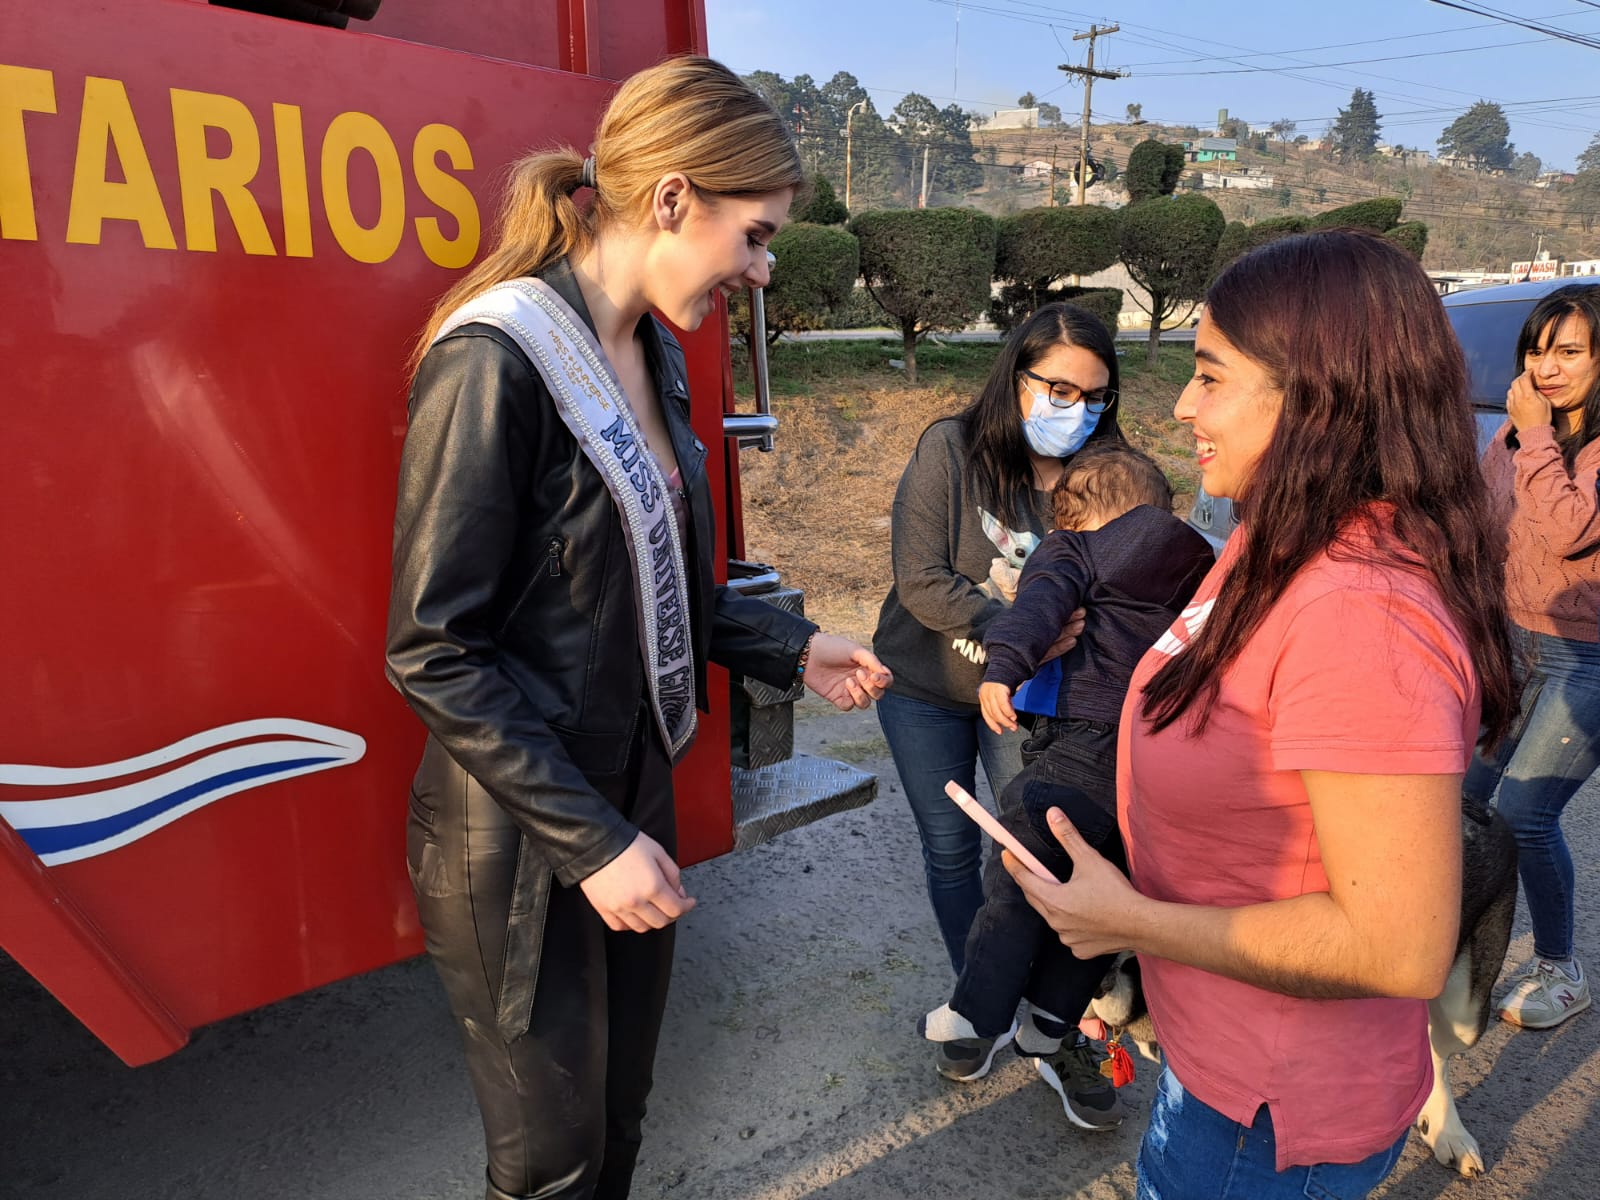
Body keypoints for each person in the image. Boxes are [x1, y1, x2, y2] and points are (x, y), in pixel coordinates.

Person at [384, 57, 890, 1200]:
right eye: (753, 236)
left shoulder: (655, 352)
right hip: (521, 834)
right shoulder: (494, 357)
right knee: (550, 1164)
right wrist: (592, 843)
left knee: (620, 1123)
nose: (761, 272)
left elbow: (649, 578)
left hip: (632, 790)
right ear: (671, 200)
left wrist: (786, 645)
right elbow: (432, 649)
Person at [1007, 230, 1519, 1198]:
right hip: (1218, 1057)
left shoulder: (1361, 614)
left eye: (1210, 376)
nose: (1181, 406)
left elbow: (1396, 945)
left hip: (1269, 1113)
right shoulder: (1276, 539)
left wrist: (1136, 922)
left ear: (1317, 400)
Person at [919, 443, 1213, 1135]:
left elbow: (1039, 607)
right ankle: (1051, 1023)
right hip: (1151, 767)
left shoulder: (1073, 548)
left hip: (1079, 747)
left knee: (1020, 872)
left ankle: (977, 1014)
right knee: (1097, 909)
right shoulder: (1199, 565)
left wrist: (1003, 668)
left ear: (1075, 512)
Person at [872, 302, 1121, 974]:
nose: (1077, 409)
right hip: (926, 688)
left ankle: (1041, 998)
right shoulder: (950, 449)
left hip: (1032, 701)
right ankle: (977, 990)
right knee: (950, 848)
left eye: (1095, 397)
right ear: (1017, 376)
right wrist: (1029, 630)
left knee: (1029, 846)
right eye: (1061, 390)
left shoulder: (1110, 476)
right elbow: (923, 582)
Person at [1471, 283, 1600, 1031]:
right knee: (1465, 798)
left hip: (1585, 658)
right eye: (1537, 349)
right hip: (1512, 642)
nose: (1546, 366)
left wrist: (1534, 435)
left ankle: (1561, 967)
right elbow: (1488, 528)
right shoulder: (1518, 436)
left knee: (1523, 815)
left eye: (1569, 351)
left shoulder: (1538, 433)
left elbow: (1568, 530)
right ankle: (1453, 939)